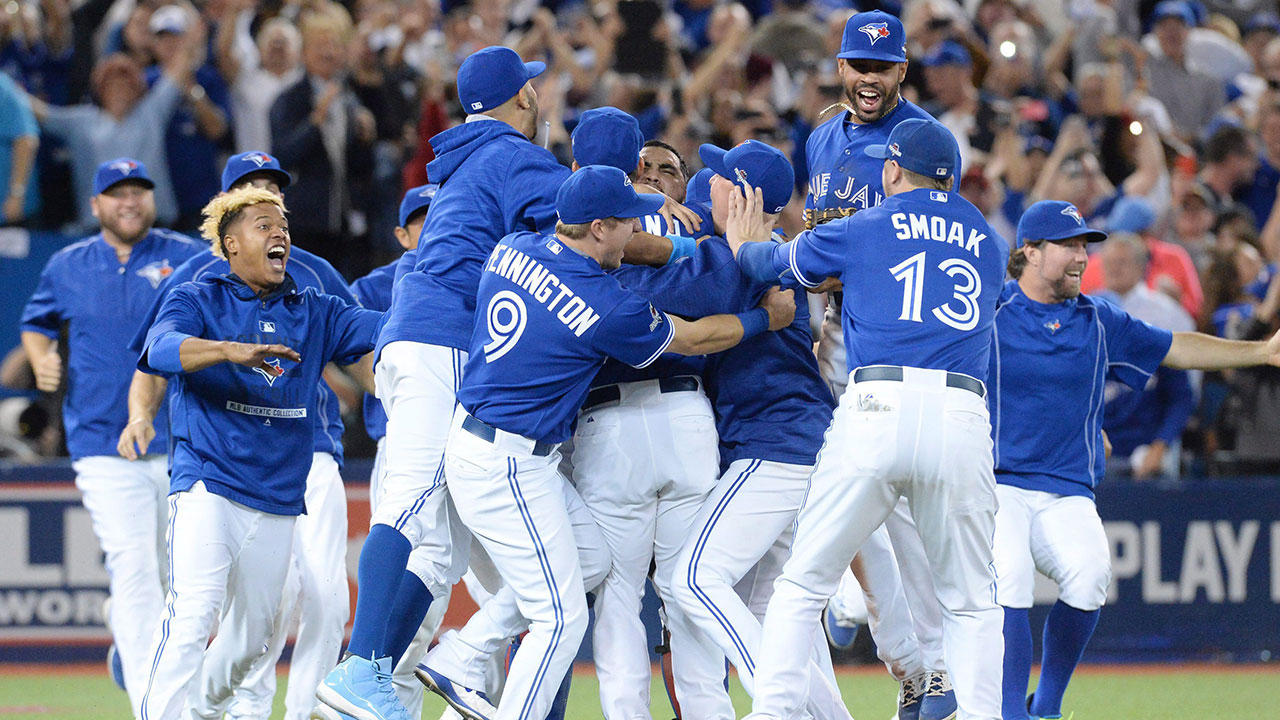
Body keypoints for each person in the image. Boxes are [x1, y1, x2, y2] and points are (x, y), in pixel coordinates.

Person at [440, 165, 795, 720]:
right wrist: (760, 318)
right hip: (505, 459)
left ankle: (462, 650)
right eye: (628, 221)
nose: (638, 232)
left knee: (595, 564)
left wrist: (665, 236)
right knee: (561, 620)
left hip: (494, 442)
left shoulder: (512, 247)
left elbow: (633, 250)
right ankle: (478, 677)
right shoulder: (604, 306)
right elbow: (697, 337)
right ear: (600, 226)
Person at [317, 45, 570, 720]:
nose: (538, 99)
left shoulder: (469, 160)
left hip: (428, 340)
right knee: (410, 504)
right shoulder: (514, 155)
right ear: (522, 97)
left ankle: (370, 674)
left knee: (442, 546)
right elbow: (584, 218)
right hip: (446, 340)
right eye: (532, 89)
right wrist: (670, 228)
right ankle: (359, 666)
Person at [731, 118, 1009, 720]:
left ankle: (773, 714)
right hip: (961, 411)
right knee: (973, 603)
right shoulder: (990, 241)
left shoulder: (867, 225)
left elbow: (770, 265)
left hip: (877, 406)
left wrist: (741, 243)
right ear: (953, 178)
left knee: (803, 583)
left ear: (890, 170)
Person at [992, 199, 1280, 720]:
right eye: (1068, 246)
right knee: (1008, 578)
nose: (1082, 257)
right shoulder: (989, 311)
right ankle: (1010, 713)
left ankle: (1046, 707)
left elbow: (1177, 348)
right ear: (1029, 251)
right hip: (998, 484)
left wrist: (1259, 352)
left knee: (1090, 575)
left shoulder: (1098, 318)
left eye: (1085, 245)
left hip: (1067, 488)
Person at [119, 152, 365, 720]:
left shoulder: (315, 300)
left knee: (257, 634)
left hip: (279, 489)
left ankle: (204, 710)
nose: (280, 232)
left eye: (283, 222)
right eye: (263, 223)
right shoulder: (195, 292)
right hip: (208, 477)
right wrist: (228, 350)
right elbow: (156, 352)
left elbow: (378, 334)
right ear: (229, 242)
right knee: (194, 610)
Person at [802, 10, 958, 718]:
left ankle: (935, 677)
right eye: (858, 66)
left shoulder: (922, 142)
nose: (869, 79)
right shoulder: (820, 139)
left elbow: (927, 245)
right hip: (835, 336)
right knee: (837, 498)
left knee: (906, 527)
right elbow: (814, 236)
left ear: (902, 70)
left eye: (882, 67)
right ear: (841, 68)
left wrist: (841, 246)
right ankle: (915, 670)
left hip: (895, 345)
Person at [19, 158, 203, 717]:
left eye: (139, 192)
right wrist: (39, 356)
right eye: (116, 194)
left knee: (184, 579)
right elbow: (37, 321)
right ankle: (155, 701)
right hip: (101, 442)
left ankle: (130, 640)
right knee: (134, 564)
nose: (129, 202)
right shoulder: (68, 264)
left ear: (152, 200)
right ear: (95, 205)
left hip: (182, 441)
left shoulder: (187, 256)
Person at [347, 183, 451, 717]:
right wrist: (395, 383)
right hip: (406, 433)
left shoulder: (468, 267)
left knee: (453, 577)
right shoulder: (378, 284)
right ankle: (367, 675)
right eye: (422, 218)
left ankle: (464, 671)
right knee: (427, 563)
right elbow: (339, 349)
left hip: (467, 438)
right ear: (401, 232)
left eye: (443, 213)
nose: (434, 225)